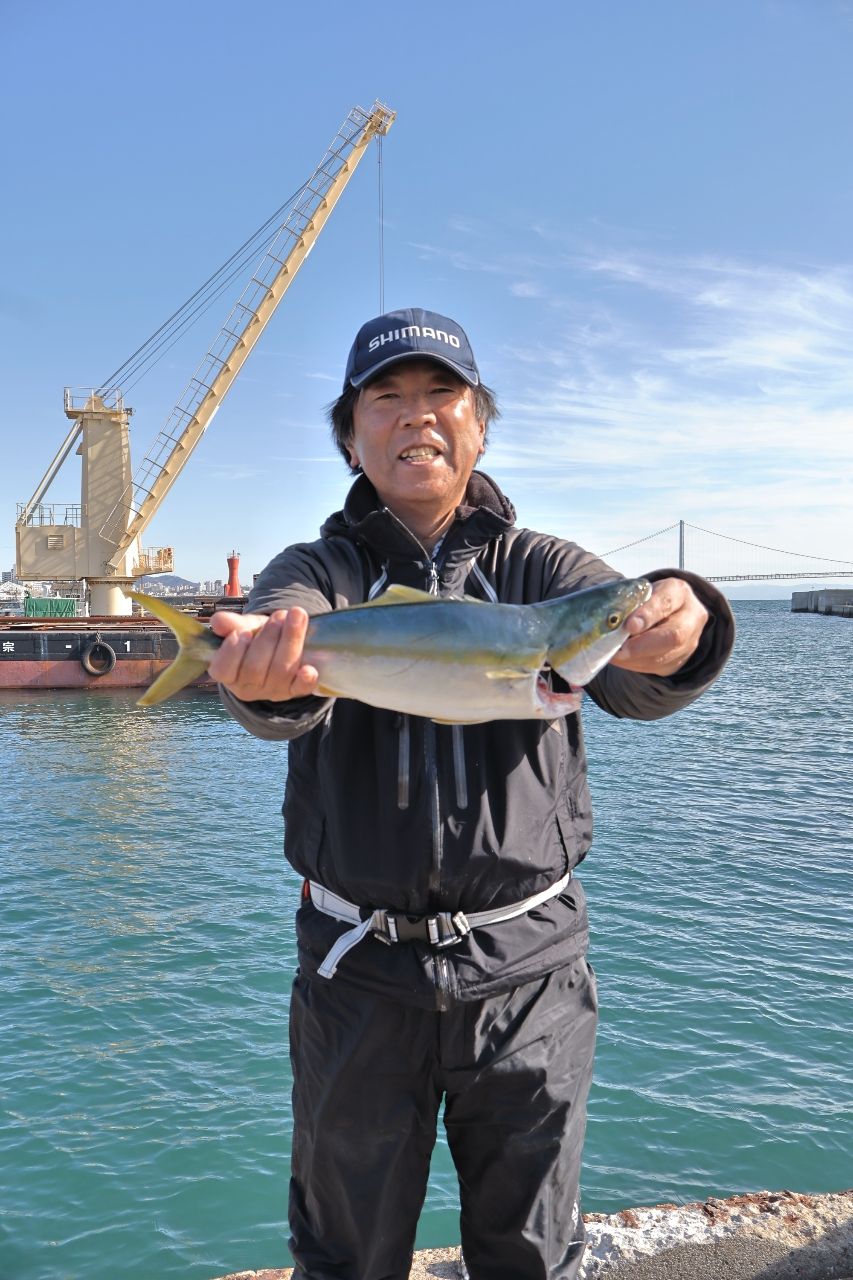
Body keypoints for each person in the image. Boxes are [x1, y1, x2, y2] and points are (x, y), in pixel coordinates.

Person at [209, 307, 735, 1280]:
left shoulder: (543, 571)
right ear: (350, 435)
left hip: (530, 968)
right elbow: (288, 653)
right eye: (387, 398)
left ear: (480, 425)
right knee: (345, 1255)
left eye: (441, 394)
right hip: (355, 973)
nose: (418, 417)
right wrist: (261, 670)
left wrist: (683, 623)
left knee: (530, 1252)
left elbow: (634, 657)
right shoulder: (321, 570)